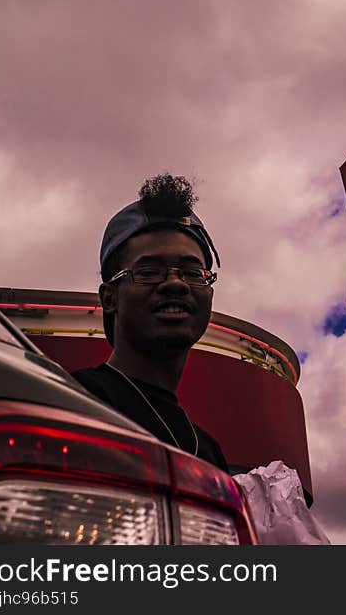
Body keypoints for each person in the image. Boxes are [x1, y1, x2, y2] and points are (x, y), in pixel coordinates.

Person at [71, 174, 229, 473]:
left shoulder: (208, 451)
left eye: (193, 273)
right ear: (109, 298)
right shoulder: (71, 400)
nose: (175, 283)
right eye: (148, 271)